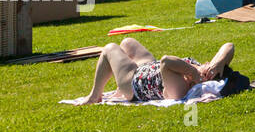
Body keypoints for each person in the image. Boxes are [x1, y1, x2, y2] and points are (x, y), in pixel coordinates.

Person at [75, 38, 235, 104]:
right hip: (150, 67)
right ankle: (114, 80)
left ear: (207, 76)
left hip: (133, 82)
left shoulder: (180, 88)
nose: (206, 62)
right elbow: (229, 46)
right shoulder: (202, 71)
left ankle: (94, 95)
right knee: (127, 42)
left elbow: (166, 61)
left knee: (110, 49)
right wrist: (218, 63)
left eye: (209, 65)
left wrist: (194, 72)